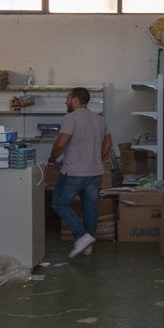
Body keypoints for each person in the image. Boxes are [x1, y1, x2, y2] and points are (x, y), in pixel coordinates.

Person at [48, 87, 111, 258]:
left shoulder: (71, 118)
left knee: (60, 204)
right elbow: (108, 145)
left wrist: (52, 159)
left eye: (67, 98)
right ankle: (88, 245)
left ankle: (82, 237)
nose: (66, 101)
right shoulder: (100, 120)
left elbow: (61, 144)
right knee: (89, 207)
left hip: (74, 172)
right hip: (95, 172)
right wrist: (96, 159)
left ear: (75, 100)